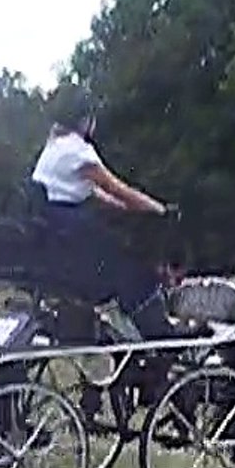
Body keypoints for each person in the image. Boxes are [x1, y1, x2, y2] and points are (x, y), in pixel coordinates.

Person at [30, 83, 179, 341]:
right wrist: (159, 209)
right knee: (133, 268)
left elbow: (97, 193)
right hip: (75, 245)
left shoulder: (53, 149)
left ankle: (133, 334)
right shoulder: (79, 151)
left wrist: (127, 208)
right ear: (85, 119)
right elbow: (117, 188)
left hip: (58, 240)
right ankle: (159, 334)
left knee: (120, 256)